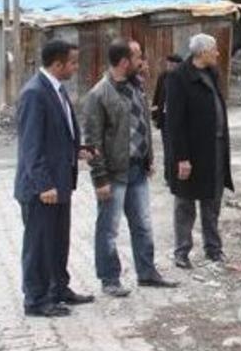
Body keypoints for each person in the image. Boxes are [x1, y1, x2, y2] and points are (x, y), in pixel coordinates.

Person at [83, 39, 178, 297]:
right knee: (108, 229)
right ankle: (109, 279)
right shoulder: (99, 95)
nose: (142, 62)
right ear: (124, 62)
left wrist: (149, 159)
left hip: (137, 170)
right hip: (114, 174)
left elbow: (143, 125)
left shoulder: (137, 87)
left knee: (143, 224)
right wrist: (100, 178)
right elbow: (92, 141)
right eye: (138, 57)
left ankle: (147, 273)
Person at [14, 39, 94, 317]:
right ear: (58, 64)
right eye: (73, 62)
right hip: (42, 188)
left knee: (58, 241)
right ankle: (35, 300)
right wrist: (44, 184)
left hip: (60, 183)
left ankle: (59, 288)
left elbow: (58, 133)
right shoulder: (34, 93)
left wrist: (77, 150)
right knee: (38, 245)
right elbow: (31, 146)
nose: (76, 67)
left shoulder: (55, 89)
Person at [166, 34, 234, 269]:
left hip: (214, 149)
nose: (217, 53)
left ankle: (213, 248)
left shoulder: (212, 73)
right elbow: (175, 122)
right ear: (203, 52)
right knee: (185, 203)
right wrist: (182, 158)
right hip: (191, 152)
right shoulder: (179, 77)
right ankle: (182, 251)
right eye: (214, 50)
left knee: (212, 201)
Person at [151, 54, 183, 188]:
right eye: (168, 65)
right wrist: (154, 115)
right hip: (165, 118)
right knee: (167, 149)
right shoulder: (163, 77)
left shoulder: (183, 78)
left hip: (179, 120)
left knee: (177, 149)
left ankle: (178, 176)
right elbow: (157, 96)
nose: (170, 67)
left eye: (172, 65)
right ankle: (169, 176)